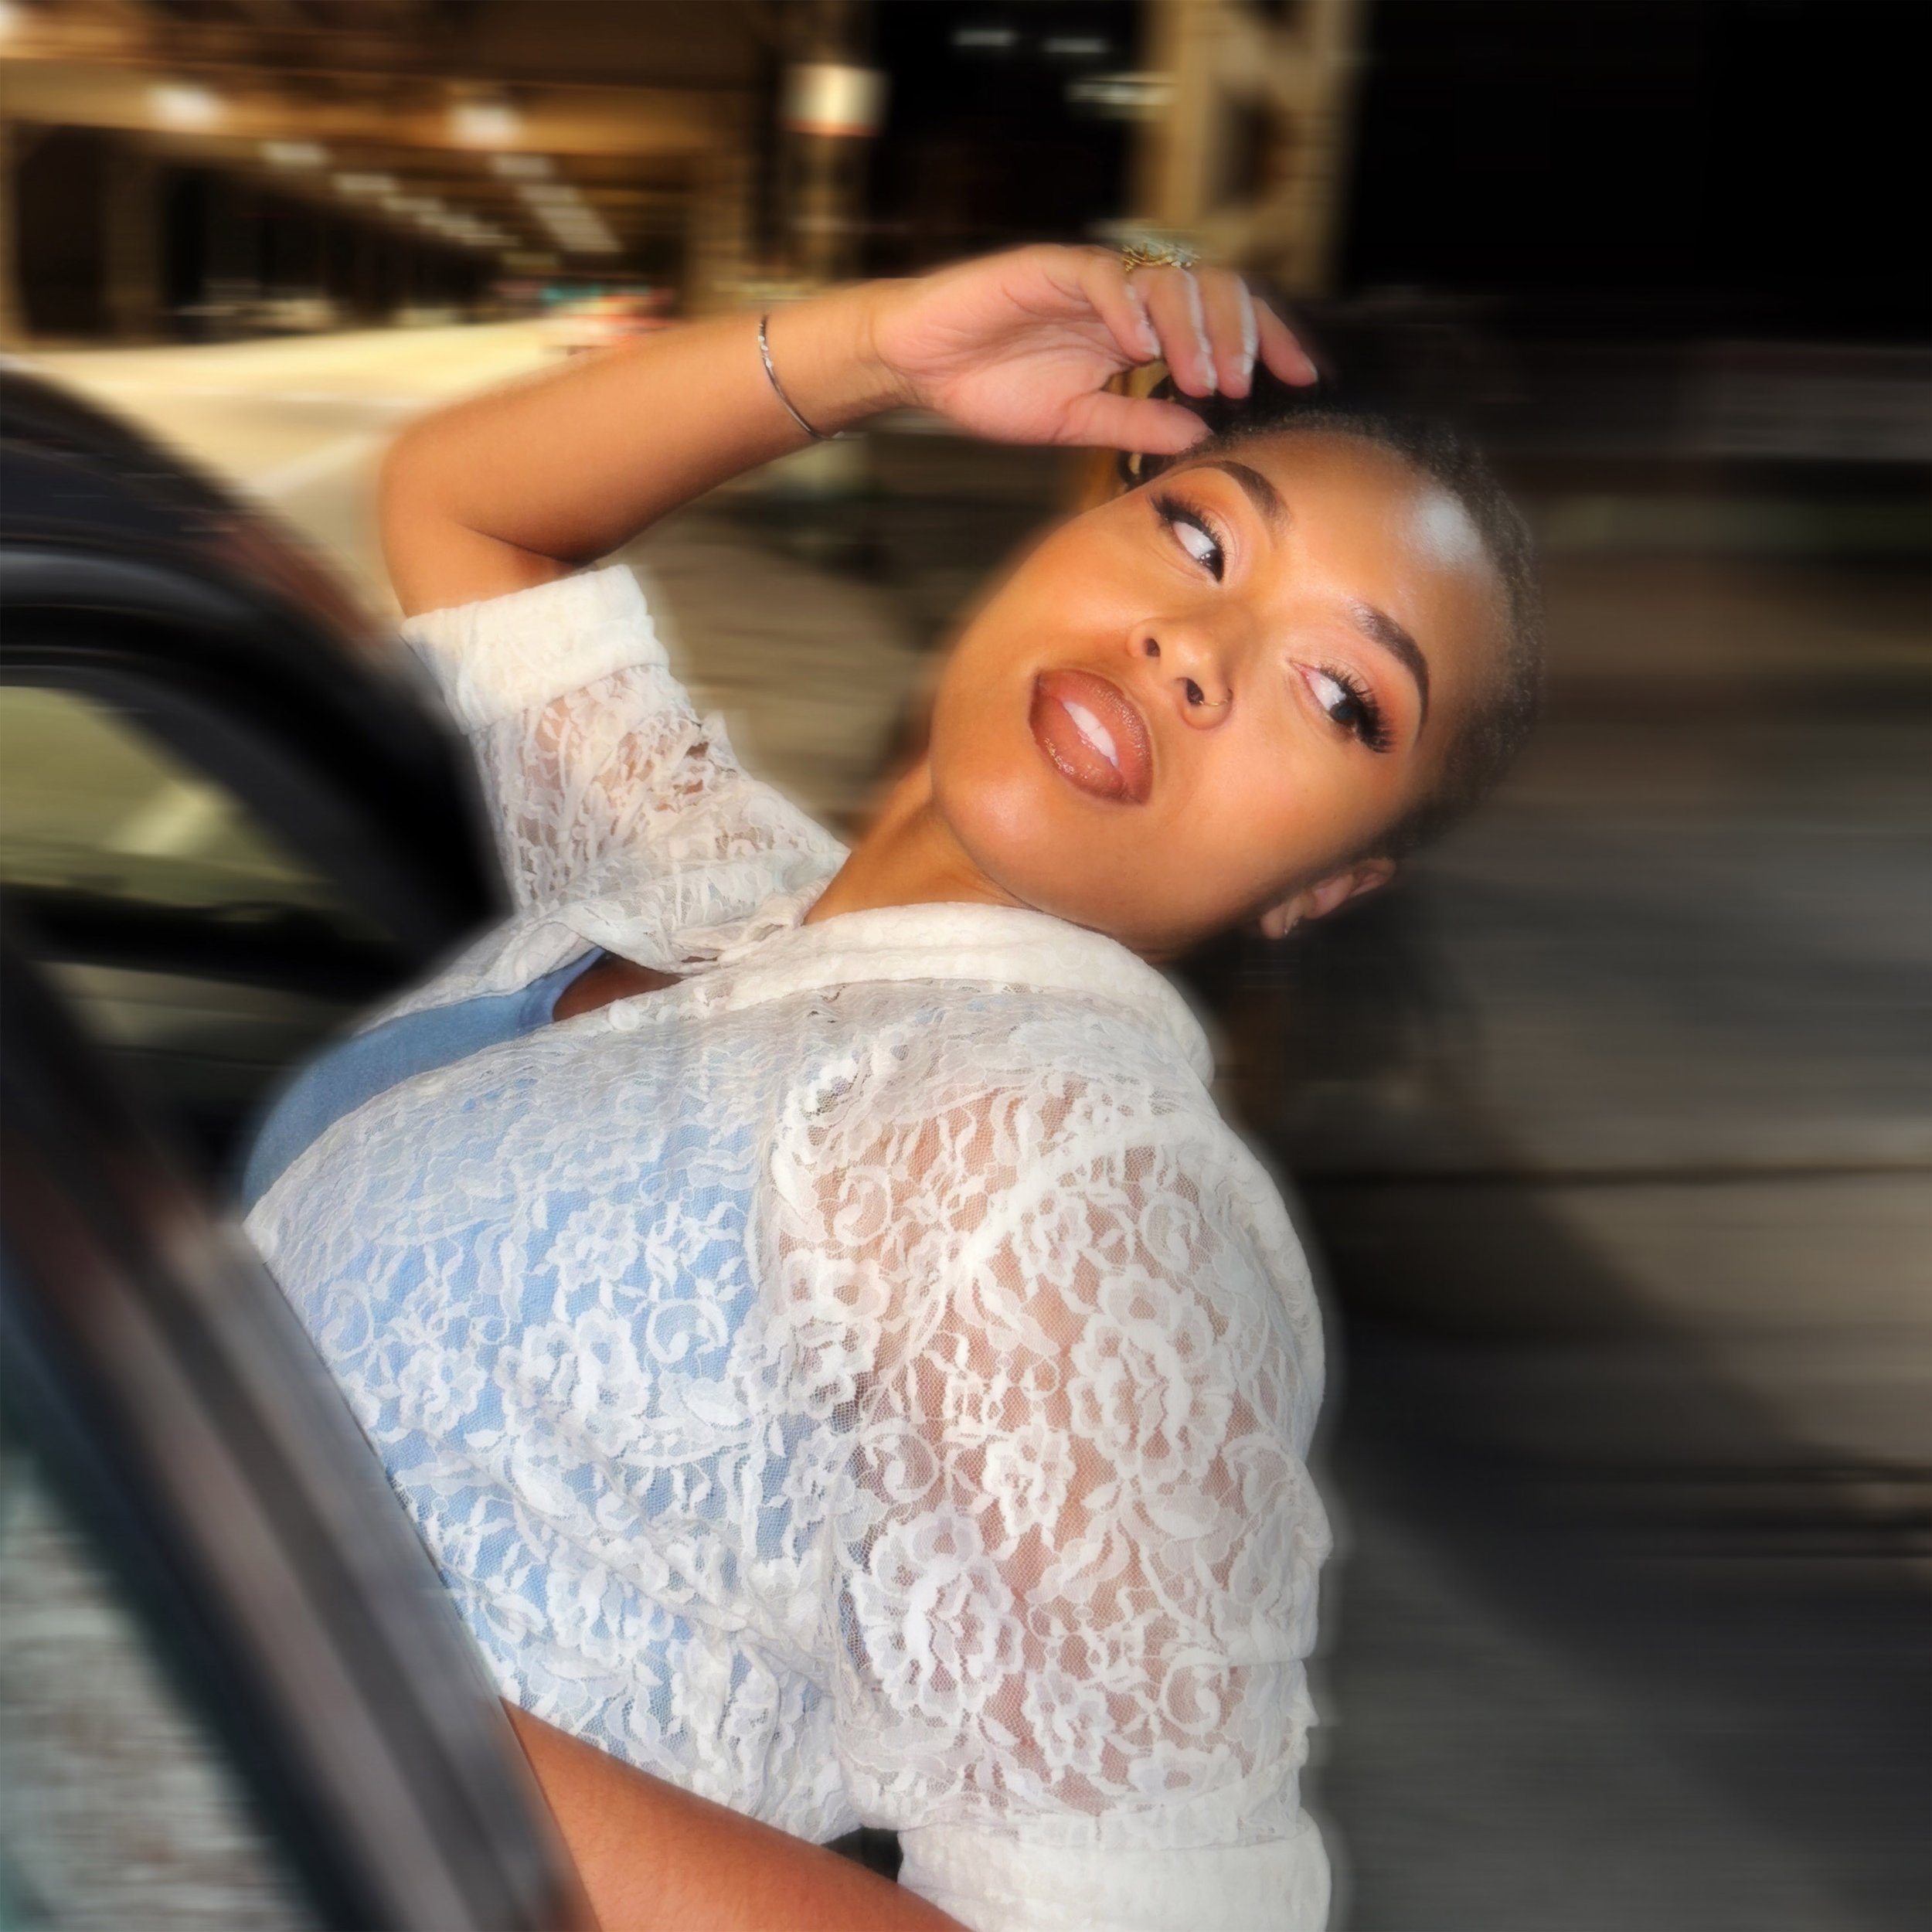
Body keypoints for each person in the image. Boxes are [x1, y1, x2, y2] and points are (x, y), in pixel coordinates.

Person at [243, 245, 1540, 1932]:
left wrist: (304, 1691)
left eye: (1337, 694)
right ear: (1077, 523)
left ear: (1324, 883)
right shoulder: (710, 890)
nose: (1193, 647)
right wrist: (882, 347)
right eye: (1201, 536)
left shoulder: (1065, 1166)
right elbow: (467, 508)